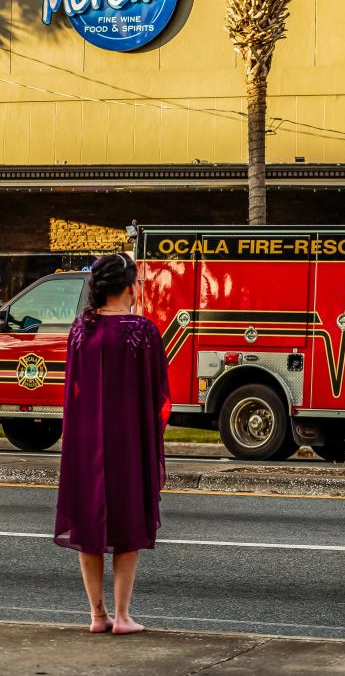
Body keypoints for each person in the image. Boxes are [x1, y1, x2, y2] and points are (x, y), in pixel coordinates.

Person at [54, 253, 170, 635]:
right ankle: (122, 616)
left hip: (86, 442)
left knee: (89, 521)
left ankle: (96, 615)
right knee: (128, 521)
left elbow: (72, 391)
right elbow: (160, 399)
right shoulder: (144, 331)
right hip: (129, 440)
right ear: (128, 286)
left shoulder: (79, 331)